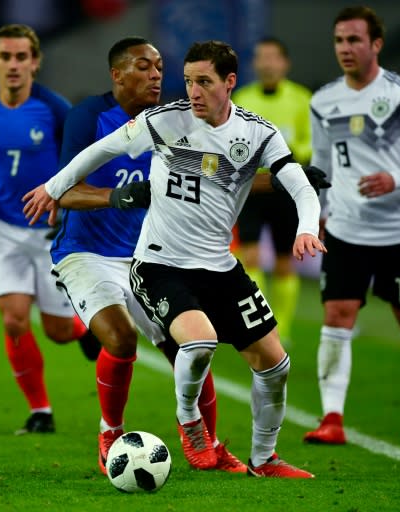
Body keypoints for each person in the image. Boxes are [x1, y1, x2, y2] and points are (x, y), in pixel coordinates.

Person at [24, 40, 326, 478]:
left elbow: (297, 185)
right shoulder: (163, 121)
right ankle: (191, 428)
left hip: (219, 267)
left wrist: (305, 226)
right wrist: (54, 188)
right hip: (159, 263)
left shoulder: (257, 133)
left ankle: (265, 459)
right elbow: (99, 151)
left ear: (229, 83)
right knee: (197, 341)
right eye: (187, 81)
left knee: (275, 365)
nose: (192, 91)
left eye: (203, 81)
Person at [43, 36, 247, 475]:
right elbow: (66, 189)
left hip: (149, 259)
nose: (156, 75)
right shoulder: (90, 118)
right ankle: (110, 433)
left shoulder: (173, 122)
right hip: (87, 253)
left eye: (158, 67)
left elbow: (219, 175)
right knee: (120, 337)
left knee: (193, 344)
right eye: (142, 66)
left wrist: (285, 180)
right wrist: (118, 196)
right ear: (116, 75)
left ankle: (206, 445)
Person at [0, 24, 100, 436]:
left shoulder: (54, 108)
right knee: (14, 320)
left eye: (21, 57)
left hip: (51, 231)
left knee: (58, 331)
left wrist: (69, 214)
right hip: (6, 228)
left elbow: (80, 165)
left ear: (35, 62)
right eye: (6, 57)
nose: (14, 65)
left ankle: (83, 331)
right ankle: (40, 412)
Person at [302, 6, 400, 446]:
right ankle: (332, 418)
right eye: (339, 41)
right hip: (346, 230)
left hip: (399, 231)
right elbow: (322, 165)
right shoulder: (323, 100)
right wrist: (318, 215)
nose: (345, 49)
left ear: (376, 44)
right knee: (336, 316)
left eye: (354, 40)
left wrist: (394, 179)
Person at [232, 37, 313, 344]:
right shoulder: (242, 98)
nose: (266, 63)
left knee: (283, 261)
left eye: (272, 57)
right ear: (254, 63)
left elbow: (311, 142)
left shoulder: (301, 99)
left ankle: (285, 330)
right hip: (252, 188)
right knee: (250, 257)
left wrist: (294, 152)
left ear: (284, 63)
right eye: (261, 57)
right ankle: (261, 326)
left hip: (286, 188)